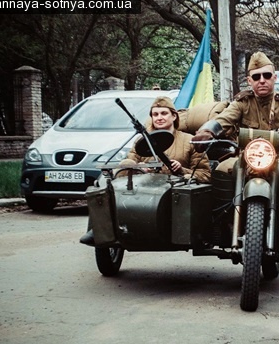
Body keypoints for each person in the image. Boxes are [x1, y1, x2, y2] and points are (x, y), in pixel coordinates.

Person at [80, 96, 210, 246]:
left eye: (164, 113)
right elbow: (129, 165)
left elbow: (205, 174)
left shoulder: (190, 141)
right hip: (144, 191)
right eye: (155, 115)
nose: (159, 118)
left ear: (174, 116)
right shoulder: (142, 141)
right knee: (122, 166)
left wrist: (181, 170)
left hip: (175, 196)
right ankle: (101, 228)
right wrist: (140, 167)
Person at [191, 51, 279, 193]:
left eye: (267, 75)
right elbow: (223, 119)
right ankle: (225, 214)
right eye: (256, 76)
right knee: (221, 171)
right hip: (247, 157)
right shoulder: (242, 102)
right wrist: (206, 131)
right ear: (249, 81)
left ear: (274, 78)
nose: (262, 80)